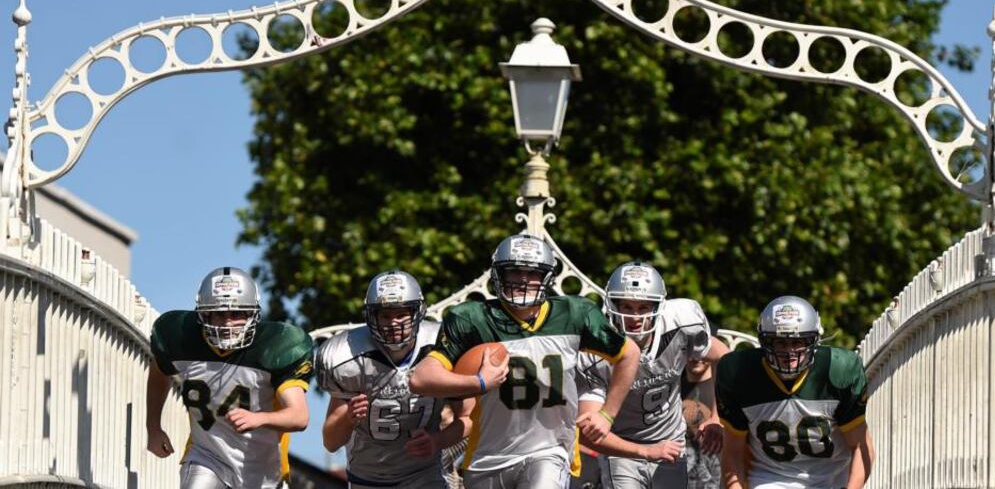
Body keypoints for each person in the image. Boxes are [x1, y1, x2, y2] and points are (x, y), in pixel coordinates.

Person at [410, 233, 641, 489]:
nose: (523, 280)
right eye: (514, 271)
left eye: (533, 273)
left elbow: (629, 354)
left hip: (549, 450)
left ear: (547, 277)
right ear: (498, 275)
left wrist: (607, 415)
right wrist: (478, 381)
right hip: (487, 456)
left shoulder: (575, 313)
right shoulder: (472, 319)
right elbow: (420, 378)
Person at [146, 266, 313, 488]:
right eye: (219, 313)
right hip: (207, 457)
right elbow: (159, 371)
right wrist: (153, 428)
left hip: (264, 470)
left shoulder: (274, 348)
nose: (227, 323)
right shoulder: (182, 340)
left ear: (252, 314)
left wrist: (260, 418)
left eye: (237, 314)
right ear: (204, 314)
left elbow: (299, 416)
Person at [576, 261, 728, 489]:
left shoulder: (680, 324)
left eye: (643, 307)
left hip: (669, 443)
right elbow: (591, 435)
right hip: (622, 448)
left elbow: (723, 357)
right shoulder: (594, 349)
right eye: (626, 307)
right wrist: (645, 451)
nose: (635, 316)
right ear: (612, 305)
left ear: (658, 307)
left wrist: (718, 417)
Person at [315, 270, 472, 488]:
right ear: (372, 316)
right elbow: (331, 442)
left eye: (401, 314)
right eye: (385, 315)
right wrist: (348, 417)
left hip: (424, 475)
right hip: (367, 478)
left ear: (417, 312)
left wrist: (438, 441)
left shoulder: (441, 345)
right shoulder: (347, 357)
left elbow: (469, 418)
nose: (393, 323)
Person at [717, 295, 874, 489]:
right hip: (768, 479)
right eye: (781, 343)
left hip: (830, 481)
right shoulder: (740, 375)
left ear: (814, 341)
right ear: (766, 343)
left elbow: (861, 446)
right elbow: (733, 452)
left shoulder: (838, 371)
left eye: (798, 342)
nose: (790, 352)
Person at [681, 347, 721, 489]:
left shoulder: (725, 389)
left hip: (716, 480)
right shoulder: (671, 387)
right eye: (690, 352)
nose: (695, 358)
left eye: (700, 352)